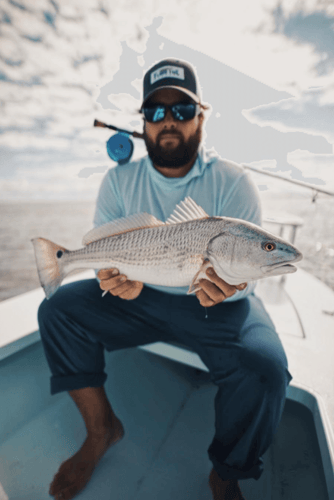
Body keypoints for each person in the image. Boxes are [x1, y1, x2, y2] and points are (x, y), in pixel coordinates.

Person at [38, 58, 293, 500]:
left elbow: (248, 272)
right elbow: (107, 256)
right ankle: (101, 432)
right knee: (56, 310)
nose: (168, 121)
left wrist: (236, 286)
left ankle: (226, 471)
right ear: (143, 122)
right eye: (155, 112)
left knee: (266, 368)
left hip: (221, 306)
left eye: (181, 110)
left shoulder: (235, 182)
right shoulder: (119, 181)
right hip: (140, 296)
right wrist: (113, 276)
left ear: (201, 117)